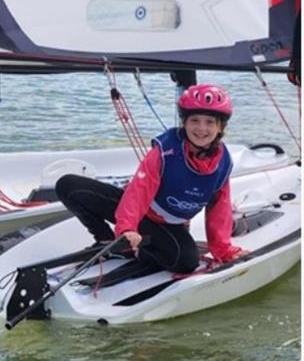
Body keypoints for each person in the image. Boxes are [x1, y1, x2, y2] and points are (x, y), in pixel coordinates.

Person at [55, 83, 247, 274]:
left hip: (167, 225)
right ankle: (107, 241)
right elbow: (139, 190)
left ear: (221, 126)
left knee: (187, 262)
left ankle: (140, 251)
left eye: (210, 122)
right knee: (68, 186)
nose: (201, 128)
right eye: (194, 120)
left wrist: (222, 249)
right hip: (137, 210)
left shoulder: (223, 162)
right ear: (185, 122)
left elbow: (218, 208)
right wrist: (127, 228)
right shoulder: (165, 152)